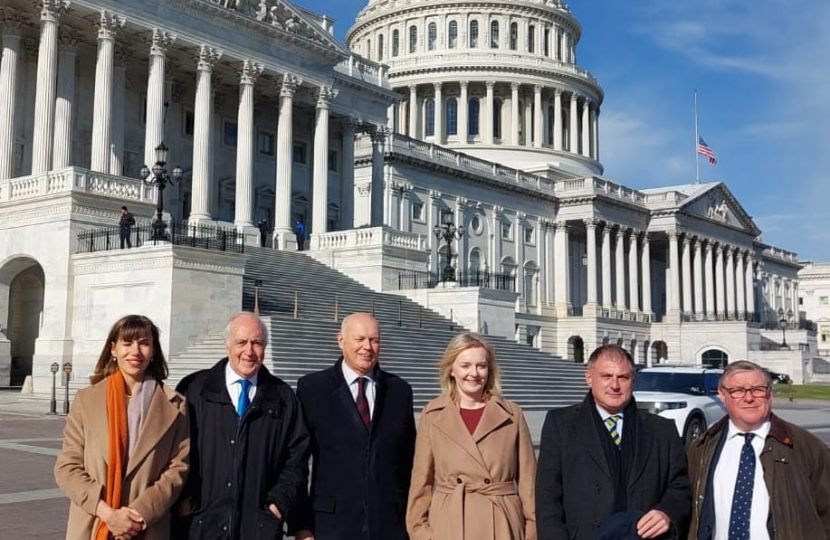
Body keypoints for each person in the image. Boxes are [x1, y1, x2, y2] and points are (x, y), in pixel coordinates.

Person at [174, 312, 309, 540]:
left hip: (258, 527)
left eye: (256, 343)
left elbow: (296, 459)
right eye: (241, 342)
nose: (249, 351)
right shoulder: (194, 389)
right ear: (227, 346)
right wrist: (185, 499)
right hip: (201, 525)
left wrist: (278, 504)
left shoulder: (284, 398)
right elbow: (174, 450)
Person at [54, 315, 190, 540]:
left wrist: (137, 515)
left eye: (144, 343)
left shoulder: (175, 405)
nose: (135, 351)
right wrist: (109, 515)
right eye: (127, 343)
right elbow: (67, 467)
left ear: (154, 350)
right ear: (113, 349)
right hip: (94, 523)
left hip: (147, 526)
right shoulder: (86, 400)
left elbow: (178, 469)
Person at [536, 344, 690, 540]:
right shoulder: (561, 425)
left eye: (623, 377)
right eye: (606, 376)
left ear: (633, 380)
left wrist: (667, 512)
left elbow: (680, 487)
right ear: (589, 378)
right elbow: (548, 498)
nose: (615, 385)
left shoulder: (662, 431)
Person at [294, 312, 416, 540]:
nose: (367, 347)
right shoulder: (312, 389)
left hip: (390, 526)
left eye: (374, 340)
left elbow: (410, 461)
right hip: (331, 526)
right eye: (359, 339)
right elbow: (297, 462)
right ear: (340, 340)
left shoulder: (400, 391)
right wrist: (302, 526)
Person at [407, 332, 537, 540]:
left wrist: (531, 531)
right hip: (450, 523)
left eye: (481, 365)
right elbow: (421, 479)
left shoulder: (512, 415)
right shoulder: (432, 415)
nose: (474, 373)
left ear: (490, 370)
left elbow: (529, 482)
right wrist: (421, 532)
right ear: (451, 369)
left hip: (502, 522)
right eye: (465, 365)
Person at [687, 360, 830, 540]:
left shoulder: (805, 446)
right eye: (738, 391)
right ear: (722, 395)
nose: (749, 398)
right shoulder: (702, 448)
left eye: (757, 390)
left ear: (769, 393)